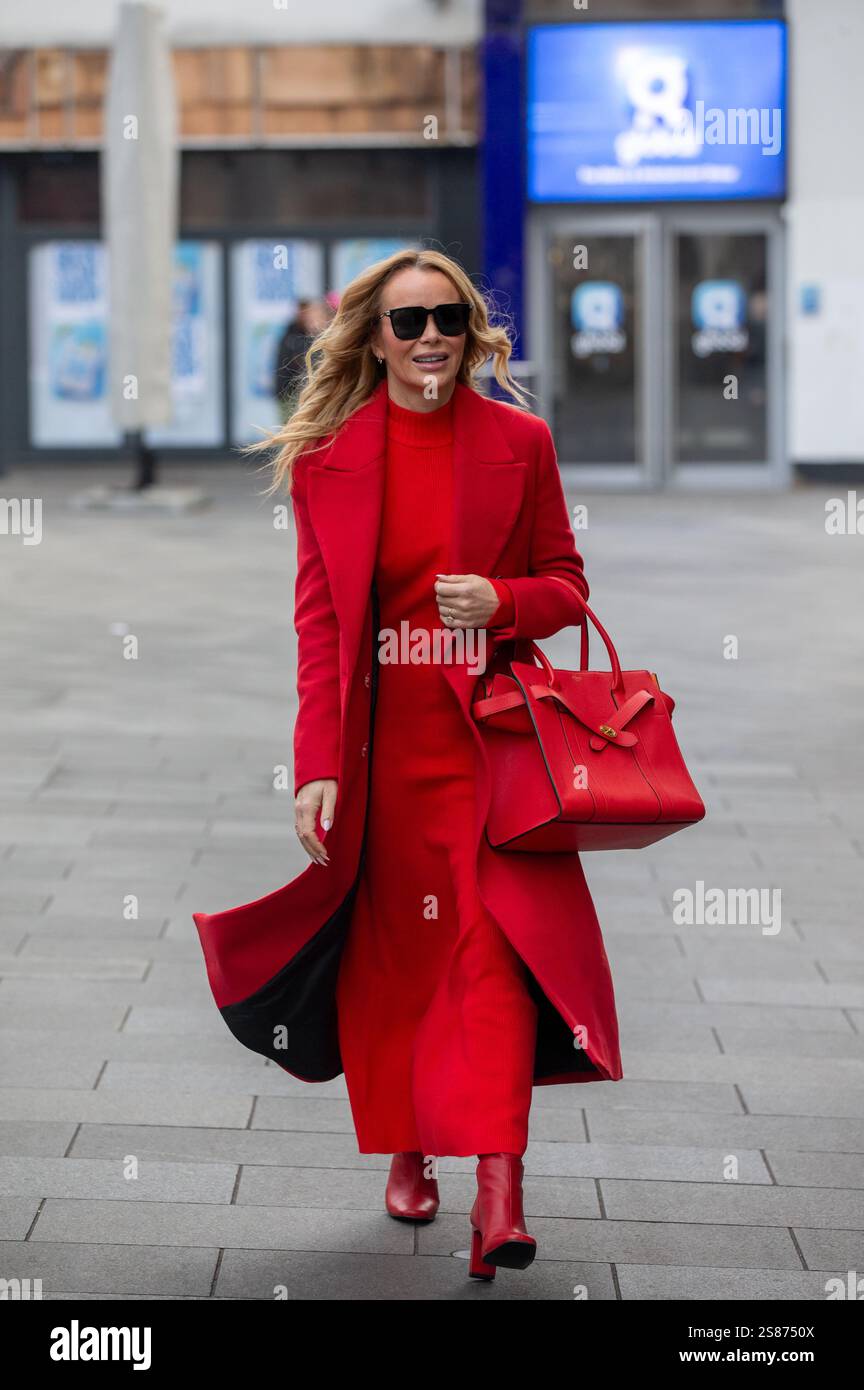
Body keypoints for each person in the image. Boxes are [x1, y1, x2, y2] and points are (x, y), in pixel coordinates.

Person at [195, 248, 622, 1284]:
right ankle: (406, 1144)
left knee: (489, 958)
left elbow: (567, 582)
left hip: (491, 751)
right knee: (398, 970)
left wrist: (506, 603)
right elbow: (318, 628)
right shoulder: (329, 458)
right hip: (382, 761)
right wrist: (315, 765)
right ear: (372, 338)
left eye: (448, 318)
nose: (429, 336)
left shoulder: (521, 443)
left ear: (472, 333)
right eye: (407, 321)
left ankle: (501, 1191)